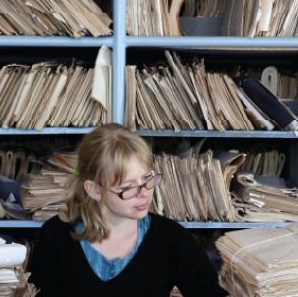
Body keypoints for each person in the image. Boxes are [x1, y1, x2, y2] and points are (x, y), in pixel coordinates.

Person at [28, 123, 227, 297]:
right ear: (94, 190)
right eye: (127, 187)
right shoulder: (55, 235)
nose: (144, 193)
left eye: (146, 178)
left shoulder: (172, 238)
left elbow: (210, 293)